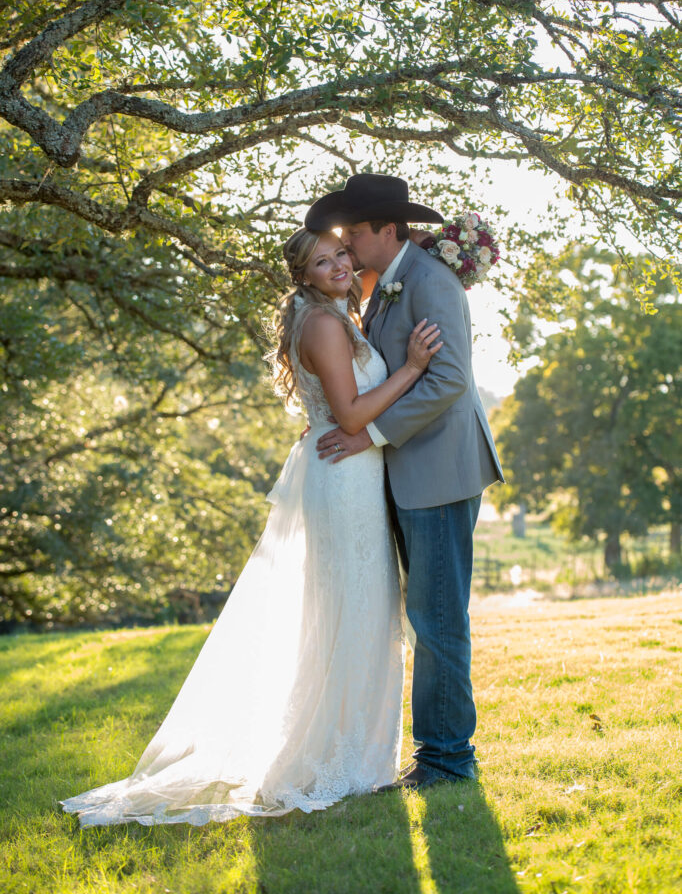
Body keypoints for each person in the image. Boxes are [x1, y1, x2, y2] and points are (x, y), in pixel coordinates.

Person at [61, 228, 441, 826]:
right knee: (355, 611)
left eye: (342, 252)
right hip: (344, 477)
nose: (341, 264)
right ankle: (339, 762)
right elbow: (350, 413)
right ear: (304, 276)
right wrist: (415, 368)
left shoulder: (336, 315)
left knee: (358, 612)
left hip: (350, 473)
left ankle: (356, 755)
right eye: (324, 260)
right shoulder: (320, 325)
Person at [305, 173, 504, 790]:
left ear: (387, 231)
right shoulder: (386, 284)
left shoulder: (431, 281)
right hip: (407, 474)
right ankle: (435, 751)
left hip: (440, 474)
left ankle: (446, 759)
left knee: (438, 617)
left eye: (355, 233)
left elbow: (448, 382)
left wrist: (371, 435)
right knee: (425, 613)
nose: (348, 243)